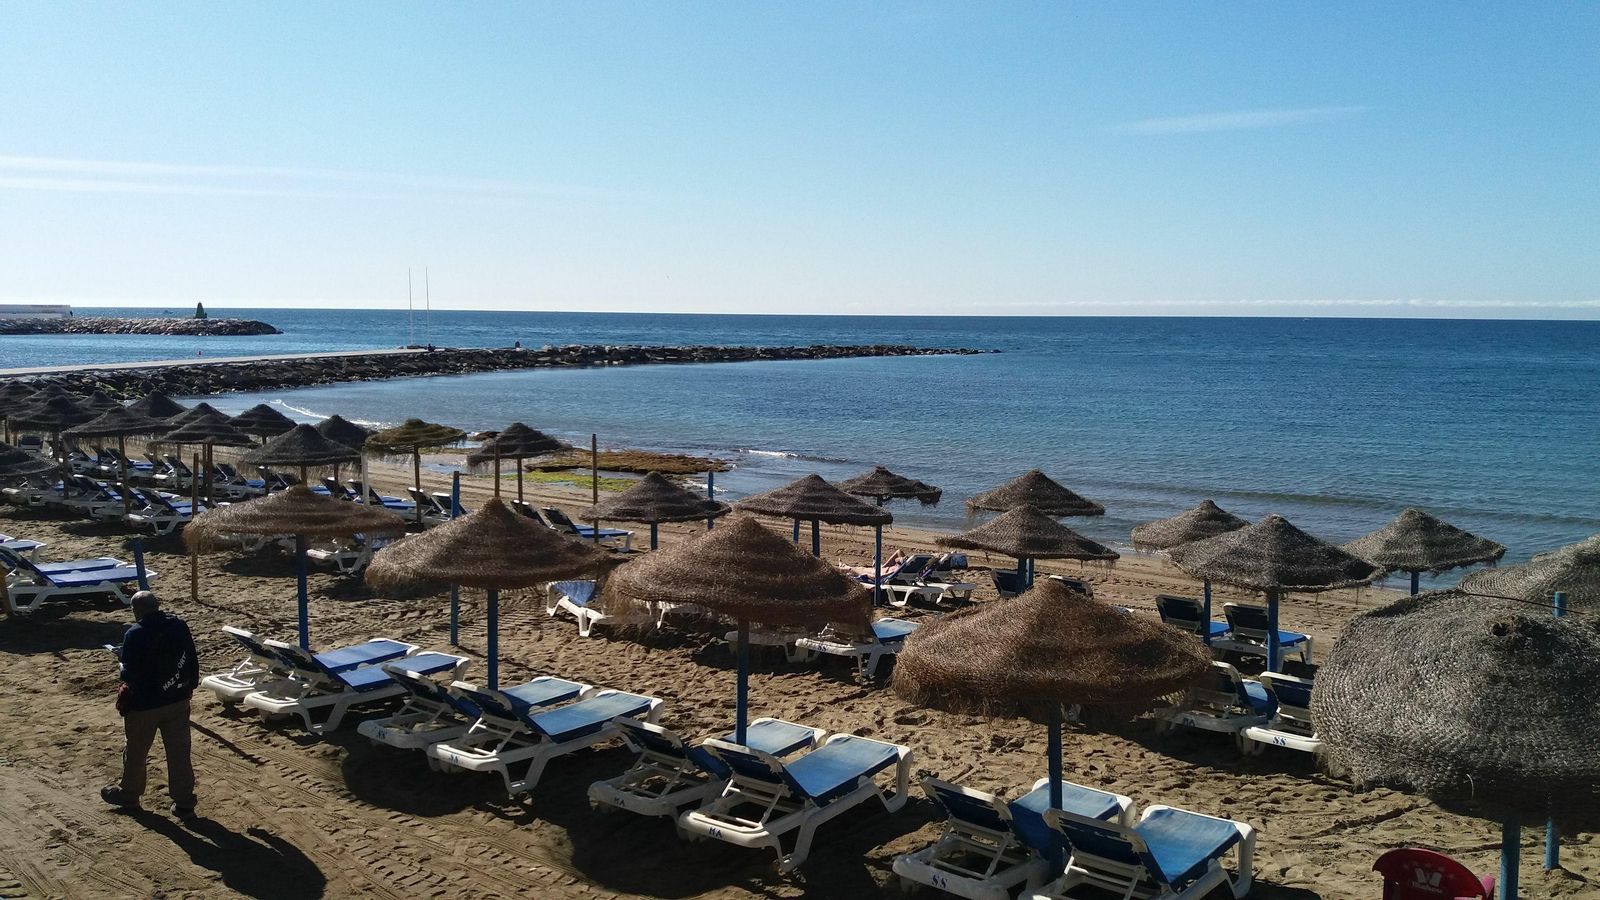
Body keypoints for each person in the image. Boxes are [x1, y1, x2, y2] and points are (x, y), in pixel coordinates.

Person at [101, 591, 199, 820]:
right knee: (179, 752)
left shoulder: (135, 633)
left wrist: (120, 662)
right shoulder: (178, 625)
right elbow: (191, 658)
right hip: (177, 699)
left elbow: (129, 673)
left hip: (145, 705)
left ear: (137, 611)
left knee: (136, 750)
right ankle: (184, 802)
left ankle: (130, 795)